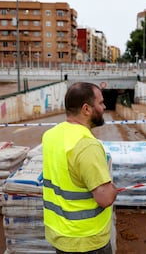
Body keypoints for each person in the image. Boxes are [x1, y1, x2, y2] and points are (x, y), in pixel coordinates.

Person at [42, 82, 118, 254]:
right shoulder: (86, 145)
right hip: (87, 239)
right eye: (101, 103)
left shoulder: (51, 135)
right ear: (86, 109)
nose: (104, 107)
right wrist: (113, 188)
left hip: (60, 233)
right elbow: (105, 198)